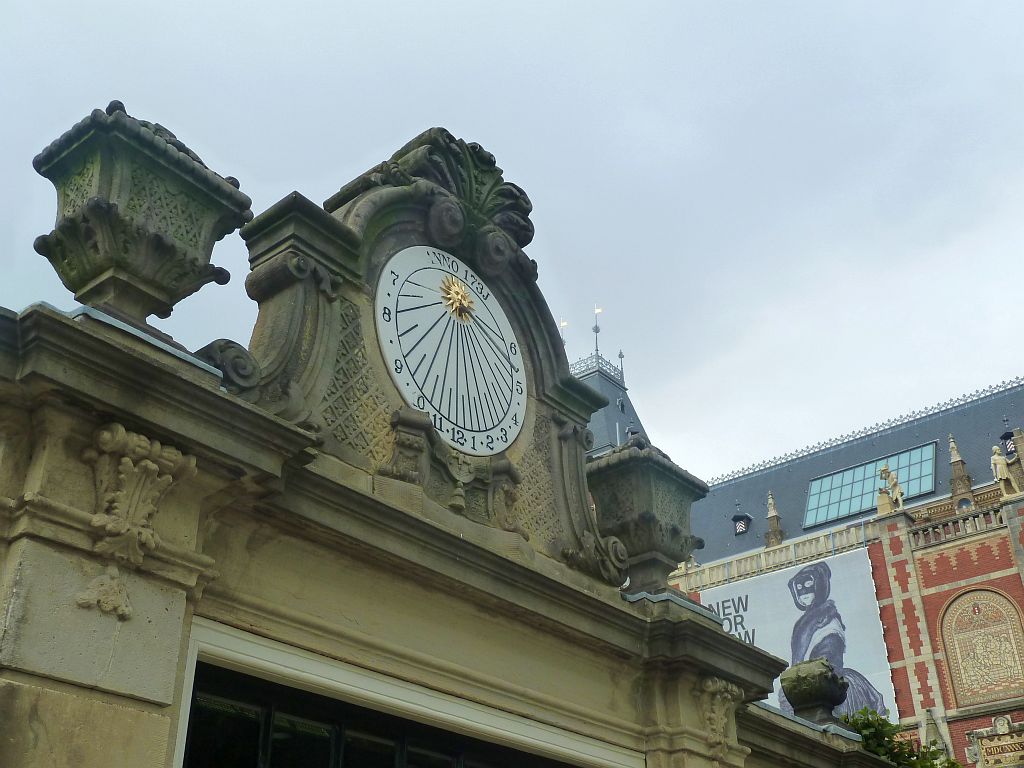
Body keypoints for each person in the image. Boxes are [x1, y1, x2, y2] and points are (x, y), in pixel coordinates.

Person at [777, 562, 887, 718]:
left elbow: (829, 654)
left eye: (809, 585)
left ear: (818, 586)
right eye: (799, 589)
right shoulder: (803, 622)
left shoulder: (828, 619)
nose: (804, 593)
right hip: (805, 679)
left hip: (826, 680)